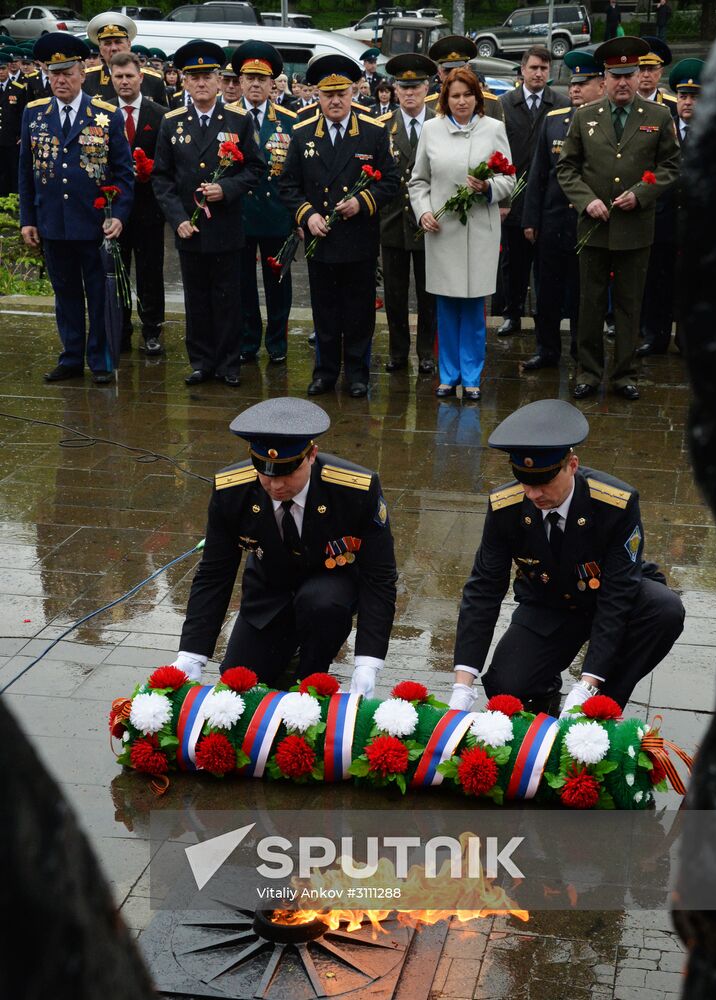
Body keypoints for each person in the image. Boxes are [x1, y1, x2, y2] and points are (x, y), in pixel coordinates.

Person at [448, 399, 685, 715]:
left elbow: (617, 596)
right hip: (549, 602)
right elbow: (483, 589)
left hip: (612, 591)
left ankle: (603, 706)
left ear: (571, 465)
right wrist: (462, 684)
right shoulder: (505, 507)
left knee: (665, 610)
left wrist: (588, 686)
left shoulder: (615, 504)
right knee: (507, 686)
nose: (534, 495)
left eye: (544, 482)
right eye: (525, 482)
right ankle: (546, 691)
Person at [172, 397, 398, 695]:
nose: (276, 486)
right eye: (265, 473)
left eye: (288, 473)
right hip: (269, 589)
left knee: (320, 612)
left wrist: (368, 663)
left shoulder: (355, 489)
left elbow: (379, 577)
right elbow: (215, 573)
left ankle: (311, 670)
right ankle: (283, 648)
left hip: (329, 590)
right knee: (238, 680)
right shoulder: (232, 490)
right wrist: (191, 655)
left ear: (312, 455)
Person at [556, 36, 680, 402]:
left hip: (635, 228)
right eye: (616, 75)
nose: (624, 82)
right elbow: (567, 168)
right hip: (594, 226)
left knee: (629, 305)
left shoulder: (658, 117)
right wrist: (586, 200)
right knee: (590, 304)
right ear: (604, 78)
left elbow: (671, 166)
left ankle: (625, 374)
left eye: (630, 74)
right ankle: (589, 373)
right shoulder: (585, 116)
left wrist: (641, 195)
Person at [278, 53, 398, 398]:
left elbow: (390, 182)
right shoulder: (302, 134)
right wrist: (307, 214)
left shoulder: (373, 132)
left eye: (341, 94)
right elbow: (288, 185)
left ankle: (358, 374)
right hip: (322, 239)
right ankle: (325, 372)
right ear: (317, 95)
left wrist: (362, 202)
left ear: (353, 92)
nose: (335, 101)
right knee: (325, 311)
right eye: (327, 94)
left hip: (358, 238)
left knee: (360, 311)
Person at [18, 34, 134, 384]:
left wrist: (118, 216)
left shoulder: (105, 115)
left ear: (83, 72)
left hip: (94, 223)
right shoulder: (34, 114)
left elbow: (124, 173)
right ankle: (70, 357)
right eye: (54, 74)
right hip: (53, 222)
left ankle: (100, 359)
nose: (60, 80)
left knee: (98, 295)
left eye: (67, 73)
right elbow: (26, 171)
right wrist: (28, 220)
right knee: (65, 293)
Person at [151, 40, 265, 388]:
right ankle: (201, 361)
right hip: (189, 228)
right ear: (183, 81)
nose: (201, 83)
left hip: (226, 227)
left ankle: (230, 363)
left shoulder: (238, 120)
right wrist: (177, 218)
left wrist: (226, 189)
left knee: (228, 298)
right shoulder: (172, 122)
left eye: (207, 76)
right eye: (193, 77)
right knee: (196, 299)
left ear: (220, 81)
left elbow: (256, 168)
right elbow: (161, 176)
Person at [409, 68, 515, 401]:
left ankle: (471, 377)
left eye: (467, 95)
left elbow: (509, 179)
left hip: (479, 231)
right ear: (445, 98)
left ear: (477, 97)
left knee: (472, 307)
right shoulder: (430, 129)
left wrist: (487, 187)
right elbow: (418, 181)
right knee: (445, 305)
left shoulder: (494, 128)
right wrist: (424, 211)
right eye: (455, 95)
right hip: (442, 231)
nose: (461, 101)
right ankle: (448, 374)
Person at [520, 50, 605, 371]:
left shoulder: (607, 124)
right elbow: (538, 174)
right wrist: (530, 220)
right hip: (553, 222)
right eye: (573, 83)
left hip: (588, 223)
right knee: (548, 293)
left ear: (601, 85)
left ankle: (582, 353)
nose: (575, 89)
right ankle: (546, 349)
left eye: (584, 83)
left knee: (584, 295)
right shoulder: (554, 121)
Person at [230, 40, 297, 365]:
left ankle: (277, 343)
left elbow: (296, 171)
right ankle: (247, 340)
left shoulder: (288, 120)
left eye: (262, 79)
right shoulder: (227, 118)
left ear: (273, 84)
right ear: (240, 82)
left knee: (278, 284)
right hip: (239, 215)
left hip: (277, 215)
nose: (255, 84)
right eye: (249, 78)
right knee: (242, 283)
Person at [497, 45, 566, 337]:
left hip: (549, 201)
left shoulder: (560, 104)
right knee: (514, 264)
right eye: (534, 67)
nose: (539, 73)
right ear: (523, 69)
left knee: (547, 266)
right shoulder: (504, 104)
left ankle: (545, 318)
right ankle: (512, 313)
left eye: (544, 69)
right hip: (514, 197)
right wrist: (502, 198)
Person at [637, 58, 702, 357]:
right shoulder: (663, 128)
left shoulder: (714, 132)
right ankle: (655, 335)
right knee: (657, 281)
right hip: (662, 219)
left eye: (695, 97)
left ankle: (689, 338)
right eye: (684, 96)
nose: (687, 103)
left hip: (696, 223)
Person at [380, 53, 438, 376]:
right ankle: (398, 351)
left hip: (427, 222)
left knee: (428, 294)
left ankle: (426, 352)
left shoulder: (438, 124)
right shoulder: (382, 126)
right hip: (391, 222)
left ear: (427, 88)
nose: (410, 93)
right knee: (395, 295)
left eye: (416, 87)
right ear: (395, 90)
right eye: (404, 87)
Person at [110, 50, 166, 357]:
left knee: (150, 271)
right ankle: (120, 329)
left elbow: (168, 161)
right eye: (118, 76)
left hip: (149, 208)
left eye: (129, 76)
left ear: (140, 77)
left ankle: (151, 330)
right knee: (118, 271)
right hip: (115, 208)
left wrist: (151, 169)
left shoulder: (159, 114)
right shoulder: (103, 114)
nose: (124, 82)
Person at [83, 13, 168, 107]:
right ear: (100, 48)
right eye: (107, 43)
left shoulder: (153, 81)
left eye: (118, 42)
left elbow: (163, 117)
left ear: (129, 44)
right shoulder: (87, 80)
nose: (114, 48)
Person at [426, 35, 504, 122]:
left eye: (460, 70)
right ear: (439, 74)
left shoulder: (491, 104)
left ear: (469, 70)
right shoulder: (428, 105)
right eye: (448, 71)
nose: (454, 75)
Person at [0, 52, 28, 196]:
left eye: (3, 68)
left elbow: (24, 114)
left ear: (8, 68)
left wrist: (23, 135)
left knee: (13, 171)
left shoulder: (18, 89)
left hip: (12, 140)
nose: (1, 72)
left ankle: (14, 202)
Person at [637, 36, 677, 117]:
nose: (646, 75)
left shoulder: (673, 107)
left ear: (661, 71)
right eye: (641, 69)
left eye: (651, 69)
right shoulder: (624, 104)